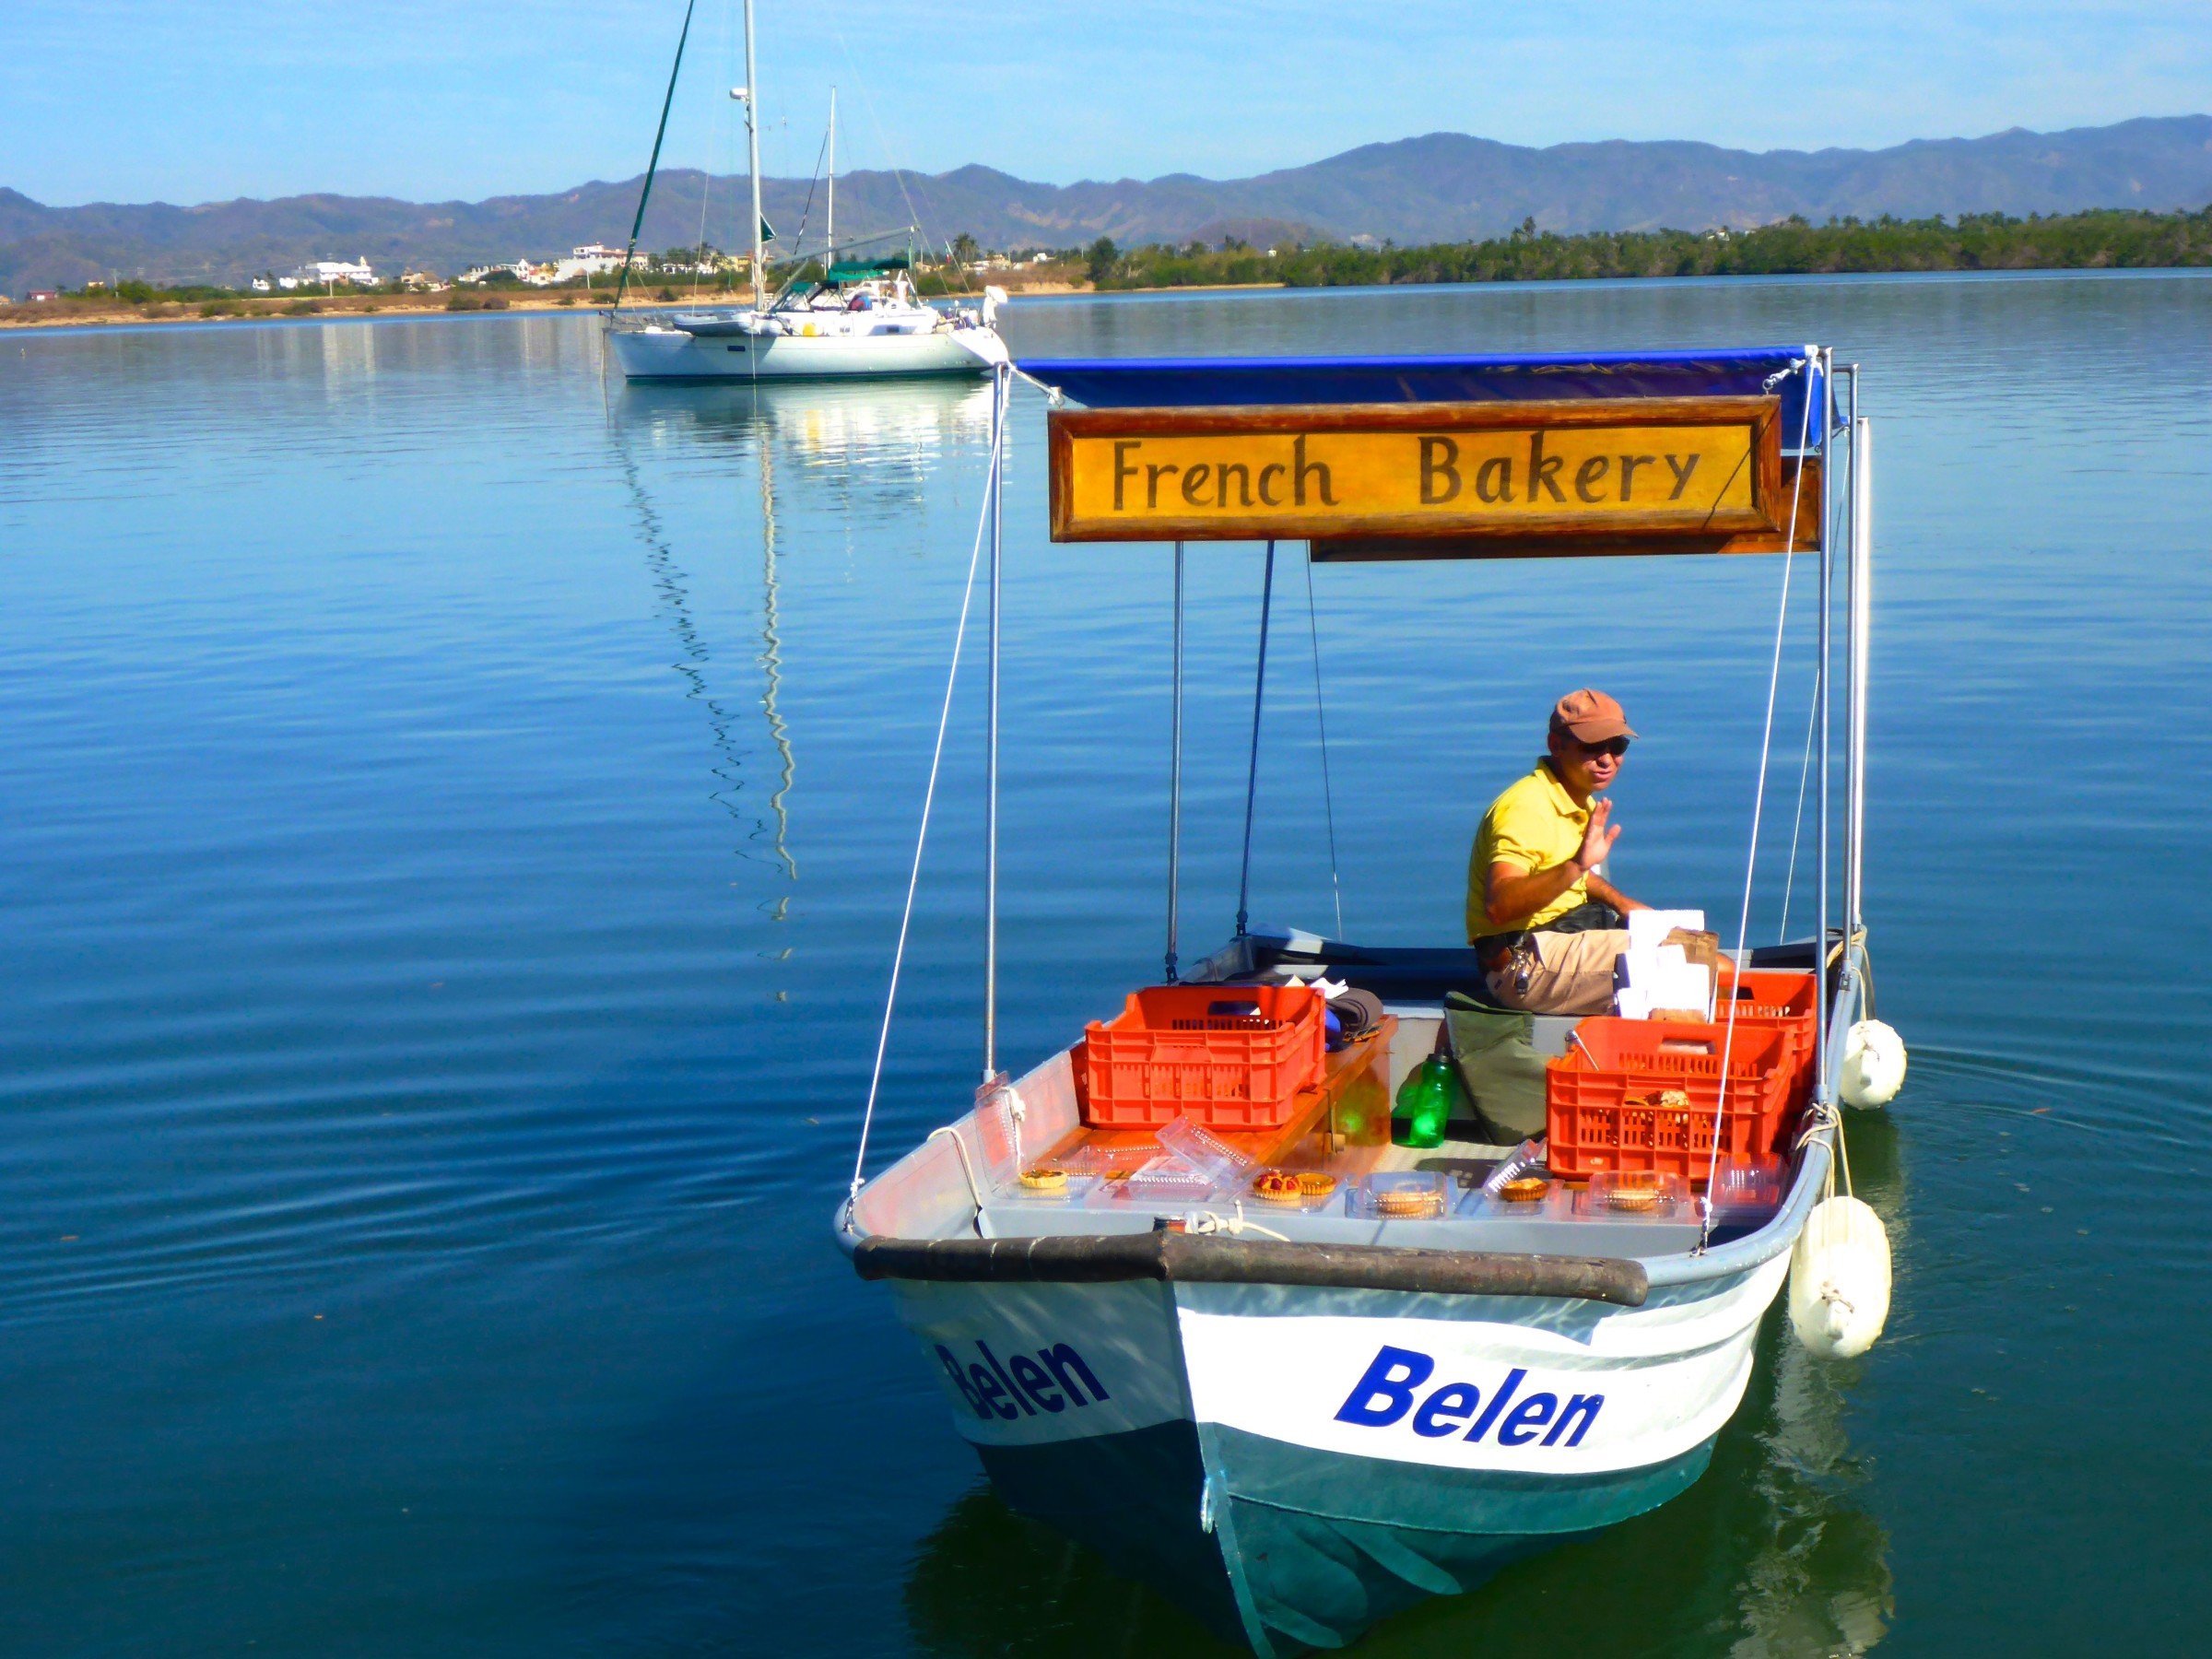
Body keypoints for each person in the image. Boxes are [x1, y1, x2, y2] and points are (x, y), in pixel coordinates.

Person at [1465, 688, 1651, 1015]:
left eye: (1618, 746)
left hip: (1566, 937)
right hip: (1523, 966)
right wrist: (1578, 865)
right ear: (1555, 745)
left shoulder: (1576, 795)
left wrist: (1623, 905)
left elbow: (1567, 876)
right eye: (1593, 746)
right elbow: (1499, 905)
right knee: (1700, 968)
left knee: (1693, 945)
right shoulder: (1526, 807)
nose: (1607, 759)